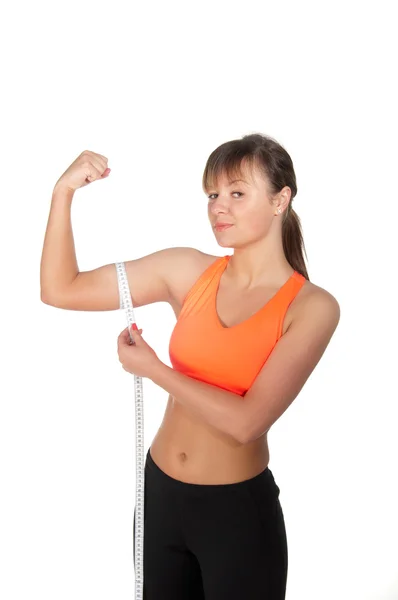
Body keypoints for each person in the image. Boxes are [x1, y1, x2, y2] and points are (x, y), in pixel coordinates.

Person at [40, 133, 340, 599]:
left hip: (237, 516)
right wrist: (63, 193)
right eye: (213, 195)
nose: (219, 207)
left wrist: (154, 370)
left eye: (237, 193)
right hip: (159, 498)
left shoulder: (312, 307)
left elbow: (247, 422)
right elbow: (61, 289)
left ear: (282, 199)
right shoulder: (187, 270)